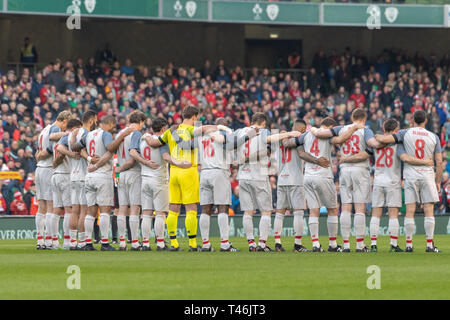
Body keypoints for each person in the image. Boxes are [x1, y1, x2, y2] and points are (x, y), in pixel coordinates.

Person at [341, 118, 433, 252]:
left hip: (378, 181)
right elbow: (404, 157)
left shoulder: (376, 143)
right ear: (396, 130)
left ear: (384, 129)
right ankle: (394, 244)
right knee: (393, 214)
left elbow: (363, 155)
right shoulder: (398, 144)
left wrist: (346, 159)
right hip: (393, 181)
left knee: (376, 214)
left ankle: (373, 245)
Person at [145, 106, 218, 251]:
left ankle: (174, 243)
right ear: (195, 117)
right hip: (188, 170)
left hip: (174, 171)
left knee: (173, 209)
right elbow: (207, 129)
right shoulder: (191, 130)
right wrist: (218, 126)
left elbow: (154, 143)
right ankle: (192, 244)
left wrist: (145, 136)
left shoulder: (170, 131)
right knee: (191, 208)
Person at [312, 108, 383, 252]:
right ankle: (359, 245)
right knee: (360, 208)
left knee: (345, 207)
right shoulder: (366, 130)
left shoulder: (341, 128)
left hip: (344, 170)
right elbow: (373, 145)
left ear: (352, 117)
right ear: (364, 118)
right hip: (360, 170)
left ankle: (345, 245)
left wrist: (313, 129)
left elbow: (322, 134)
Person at [376, 110, 443, 252]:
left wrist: (378, 136)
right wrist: (438, 181)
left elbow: (385, 140)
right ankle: (429, 245)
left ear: (412, 120)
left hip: (410, 175)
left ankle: (408, 245)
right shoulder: (434, 137)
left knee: (410, 211)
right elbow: (439, 161)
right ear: (425, 121)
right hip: (427, 175)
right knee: (428, 210)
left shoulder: (404, 133)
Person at [235, 113, 301, 252]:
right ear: (263, 123)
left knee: (248, 212)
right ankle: (262, 244)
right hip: (258, 175)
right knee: (266, 211)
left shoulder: (241, 131)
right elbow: (270, 138)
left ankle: (251, 244)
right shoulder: (262, 131)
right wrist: (288, 133)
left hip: (242, 175)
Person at [130, 117, 191, 251]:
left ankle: (145, 243)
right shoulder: (163, 140)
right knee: (160, 213)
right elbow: (165, 157)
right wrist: (179, 163)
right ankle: (160, 243)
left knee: (146, 213)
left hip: (144, 178)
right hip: (158, 179)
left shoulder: (143, 138)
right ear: (163, 128)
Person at [197, 118, 256, 252]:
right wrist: (248, 136)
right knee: (223, 207)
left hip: (205, 172)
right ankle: (224, 244)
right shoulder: (224, 134)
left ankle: (205, 244)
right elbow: (231, 145)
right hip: (219, 171)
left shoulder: (203, 136)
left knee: (206, 209)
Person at [79, 115, 133, 251]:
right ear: (109, 123)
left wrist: (89, 158)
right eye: (113, 126)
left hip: (89, 175)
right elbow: (110, 148)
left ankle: (87, 243)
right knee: (105, 210)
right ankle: (104, 243)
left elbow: (77, 147)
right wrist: (121, 137)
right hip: (102, 175)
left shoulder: (89, 134)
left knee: (91, 211)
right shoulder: (106, 134)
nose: (113, 129)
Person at [276, 119, 330, 252]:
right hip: (295, 178)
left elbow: (283, 140)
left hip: (281, 178)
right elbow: (302, 154)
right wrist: (317, 161)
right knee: (298, 212)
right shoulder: (299, 138)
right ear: (302, 129)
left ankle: (277, 243)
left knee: (280, 212)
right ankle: (297, 245)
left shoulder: (281, 136)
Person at [34, 110, 72, 250]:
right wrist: (40, 156)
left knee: (41, 206)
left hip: (39, 169)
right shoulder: (55, 129)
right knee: (52, 206)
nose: (65, 128)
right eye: (66, 124)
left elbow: (37, 150)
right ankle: (51, 241)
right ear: (64, 120)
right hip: (49, 168)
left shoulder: (44, 129)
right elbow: (48, 150)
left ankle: (40, 240)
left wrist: (38, 157)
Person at [115, 110, 147, 251]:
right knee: (135, 208)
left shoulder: (120, 133)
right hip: (133, 172)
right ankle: (134, 242)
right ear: (140, 122)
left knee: (122, 208)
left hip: (121, 174)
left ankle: (122, 242)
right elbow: (132, 155)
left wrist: (119, 169)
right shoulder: (136, 133)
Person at [67, 110, 98, 250]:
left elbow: (64, 148)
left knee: (75, 210)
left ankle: (72, 242)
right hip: (84, 174)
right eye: (95, 120)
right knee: (84, 210)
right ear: (91, 121)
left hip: (73, 174)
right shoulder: (87, 134)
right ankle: (82, 242)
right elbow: (82, 151)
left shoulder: (72, 134)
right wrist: (91, 159)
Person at [53, 119, 81, 249]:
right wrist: (71, 154)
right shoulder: (67, 136)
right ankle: (67, 241)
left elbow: (57, 151)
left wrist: (55, 162)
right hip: (65, 175)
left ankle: (52, 241)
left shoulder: (57, 136)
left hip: (56, 175)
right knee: (69, 209)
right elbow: (60, 150)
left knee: (57, 210)